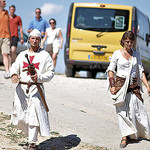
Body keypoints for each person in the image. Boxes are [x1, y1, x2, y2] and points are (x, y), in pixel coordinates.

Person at [10, 29, 54, 149]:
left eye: (37, 39)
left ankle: (32, 143)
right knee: (19, 117)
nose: (35, 41)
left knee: (33, 116)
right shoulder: (22, 54)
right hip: (22, 90)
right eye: (33, 38)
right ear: (29, 39)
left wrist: (39, 77)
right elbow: (14, 66)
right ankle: (31, 137)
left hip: (36, 89)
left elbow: (51, 73)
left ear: (40, 41)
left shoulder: (45, 55)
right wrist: (14, 74)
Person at [107, 31, 150, 148]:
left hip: (134, 86)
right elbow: (111, 70)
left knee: (138, 111)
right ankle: (124, 137)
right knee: (122, 112)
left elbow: (140, 71)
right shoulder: (117, 53)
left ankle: (134, 133)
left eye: (131, 42)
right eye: (127, 42)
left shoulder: (136, 55)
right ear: (123, 41)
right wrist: (112, 85)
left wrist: (147, 85)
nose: (129, 44)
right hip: (120, 86)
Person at [0, 0, 11, 79]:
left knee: (5, 54)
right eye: (3, 1)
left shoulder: (7, 13)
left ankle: (7, 71)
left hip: (6, 36)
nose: (5, 3)